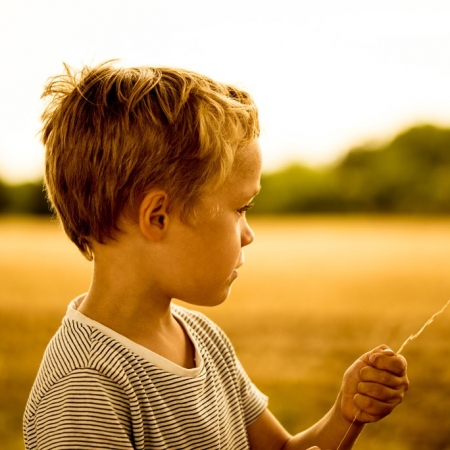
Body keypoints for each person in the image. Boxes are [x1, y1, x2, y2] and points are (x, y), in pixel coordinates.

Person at [23, 61, 409, 450]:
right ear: (158, 217)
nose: (248, 234)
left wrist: (346, 413)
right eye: (240, 208)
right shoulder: (85, 389)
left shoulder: (204, 338)